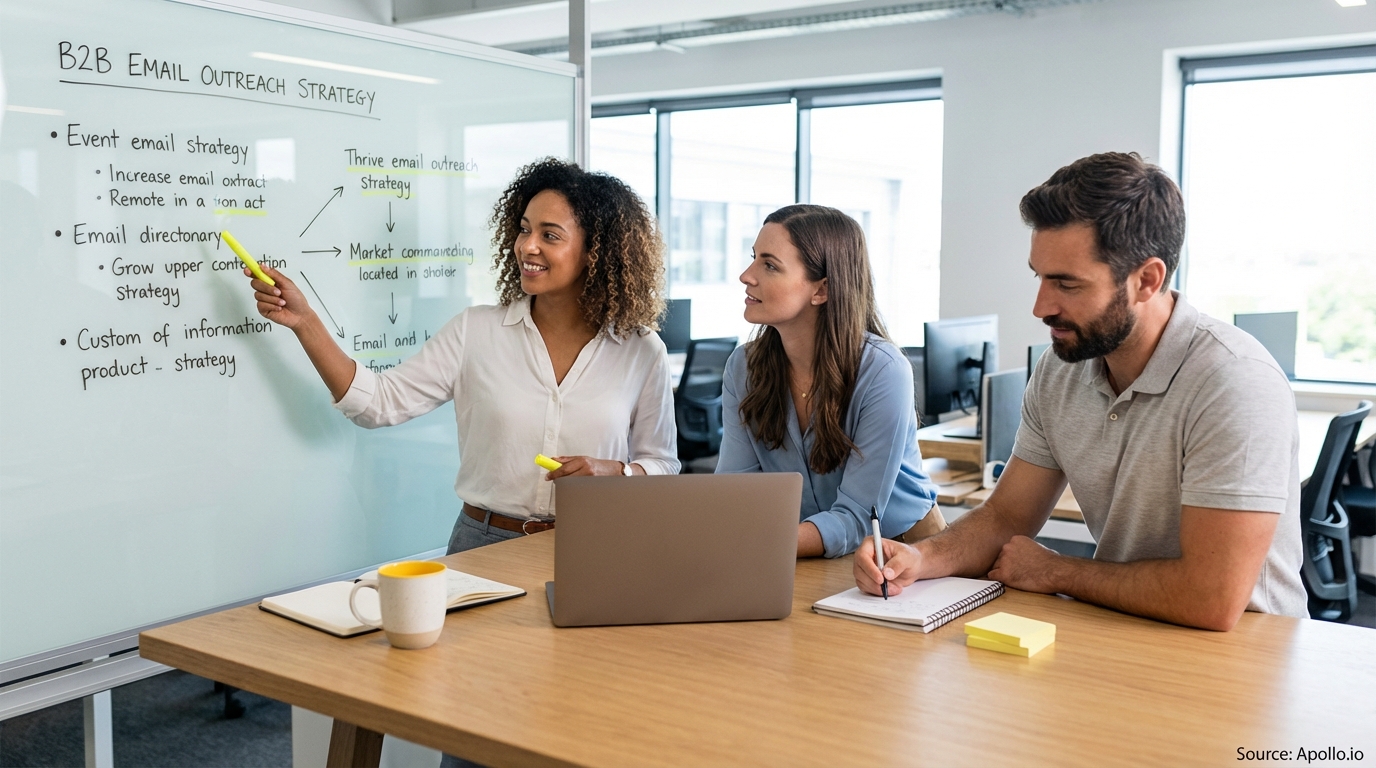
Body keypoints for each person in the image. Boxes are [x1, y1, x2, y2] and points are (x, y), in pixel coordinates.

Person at [855, 152, 1306, 630]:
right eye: (1040, 277)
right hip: (1125, 628)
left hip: (1244, 653)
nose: (1040, 306)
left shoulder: (1234, 382)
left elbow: (1210, 598)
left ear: (1146, 281)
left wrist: (1056, 570)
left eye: (1067, 284)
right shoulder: (1061, 369)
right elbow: (1006, 517)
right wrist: (920, 558)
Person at [244, 158, 679, 555]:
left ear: (593, 252)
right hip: (484, 544)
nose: (527, 246)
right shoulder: (477, 330)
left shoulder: (641, 351)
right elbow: (377, 404)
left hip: (597, 544)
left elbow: (662, 464)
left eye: (550, 236)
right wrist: (305, 322)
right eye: (524, 229)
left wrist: (618, 475)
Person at [716, 204, 941, 558]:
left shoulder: (883, 370)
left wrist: (755, 541)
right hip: (801, 550)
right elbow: (735, 493)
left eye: (770, 265)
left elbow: (857, 518)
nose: (747, 275)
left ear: (821, 290)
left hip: (903, 551)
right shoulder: (743, 367)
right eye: (754, 258)